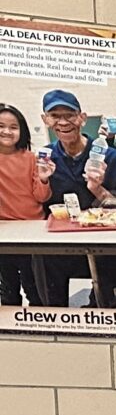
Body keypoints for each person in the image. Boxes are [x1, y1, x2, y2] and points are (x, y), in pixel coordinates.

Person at [33, 89, 116, 304]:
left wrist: (99, 190)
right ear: (45, 120)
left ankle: (101, 317)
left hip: (106, 242)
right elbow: (38, 203)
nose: (63, 122)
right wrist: (43, 180)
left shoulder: (112, 157)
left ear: (82, 118)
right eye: (55, 116)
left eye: (69, 115)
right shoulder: (44, 159)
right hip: (62, 244)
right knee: (42, 266)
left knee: (114, 285)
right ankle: (56, 323)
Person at [0, 103, 49, 308]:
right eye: (1, 125)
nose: (6, 131)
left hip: (33, 231)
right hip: (4, 234)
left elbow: (41, 196)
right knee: (8, 289)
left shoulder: (32, 158)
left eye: (13, 127)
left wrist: (45, 178)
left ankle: (43, 329)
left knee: (35, 287)